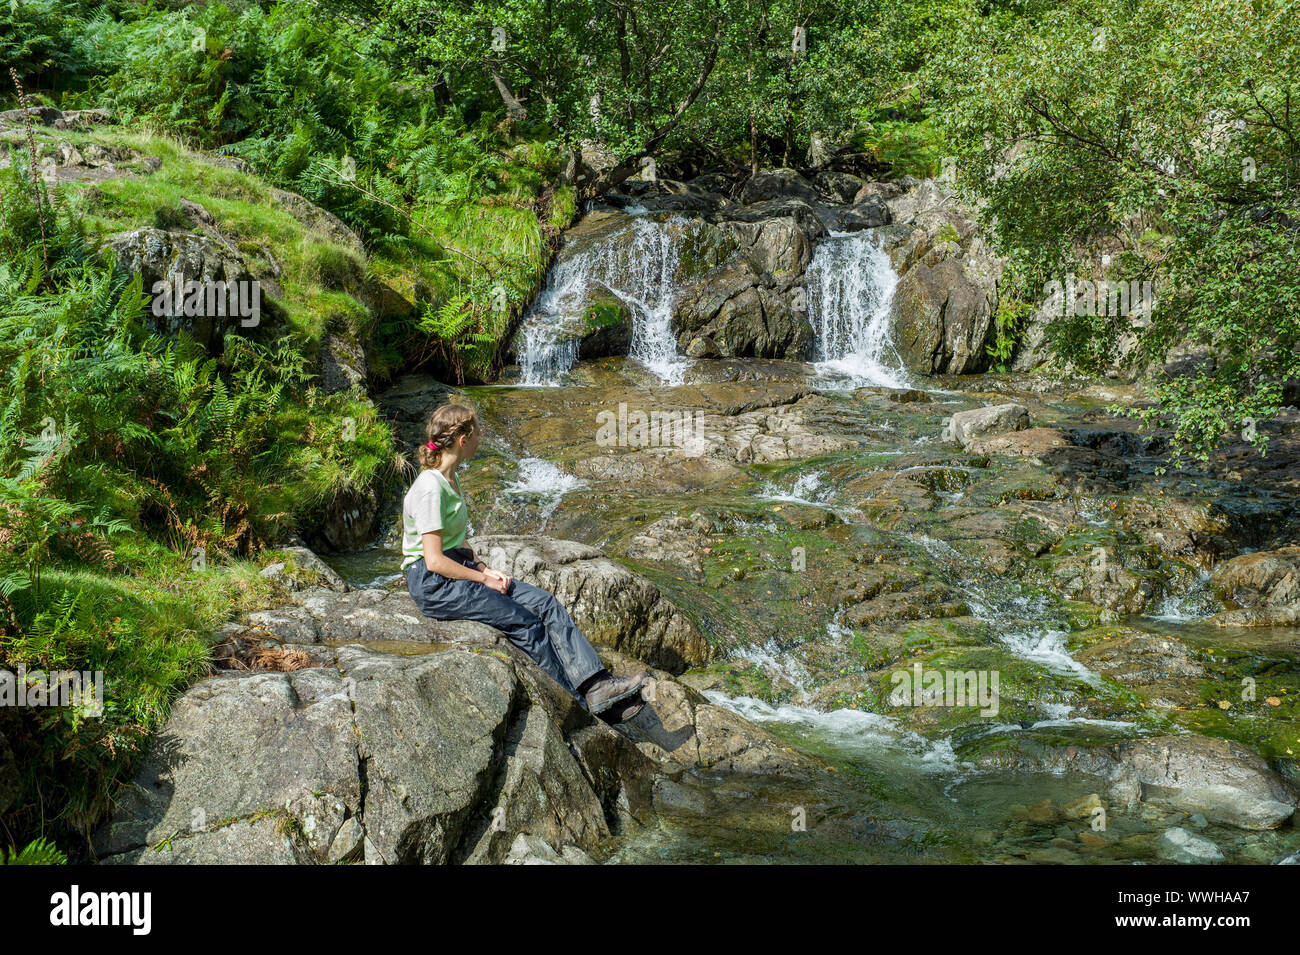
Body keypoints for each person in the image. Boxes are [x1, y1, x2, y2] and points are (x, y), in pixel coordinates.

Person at [401, 403, 648, 721]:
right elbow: (434, 560)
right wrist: (483, 580)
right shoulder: (430, 489)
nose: (481, 438)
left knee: (544, 603)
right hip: (434, 584)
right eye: (477, 433)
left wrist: (483, 568)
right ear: (463, 439)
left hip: (458, 571)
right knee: (525, 623)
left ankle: (596, 684)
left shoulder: (451, 481)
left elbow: (456, 540)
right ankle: (576, 707)